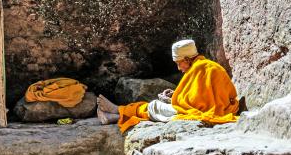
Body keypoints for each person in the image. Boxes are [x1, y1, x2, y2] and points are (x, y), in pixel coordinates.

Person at [97, 39, 239, 132]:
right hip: (214, 109)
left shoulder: (201, 68)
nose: (178, 68)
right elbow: (200, 98)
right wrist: (175, 97)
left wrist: (174, 100)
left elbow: (199, 105)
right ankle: (114, 116)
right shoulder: (203, 66)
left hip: (214, 113)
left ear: (188, 59)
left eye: (179, 63)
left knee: (154, 106)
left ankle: (117, 111)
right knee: (156, 107)